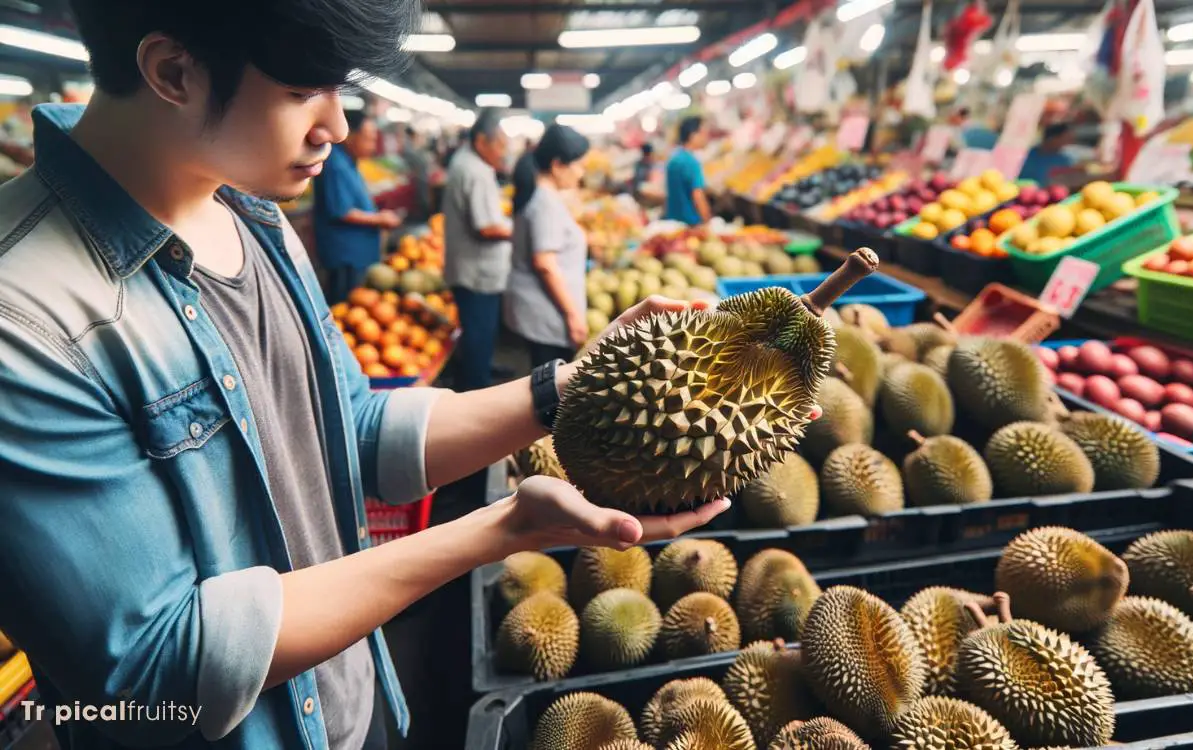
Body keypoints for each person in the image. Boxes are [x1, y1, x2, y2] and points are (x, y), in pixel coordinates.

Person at [0, 3, 735, 750]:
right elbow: (154, 667)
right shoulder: (24, 318)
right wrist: (500, 530)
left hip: (353, 704)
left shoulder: (252, 215)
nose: (339, 127)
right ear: (173, 72)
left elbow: (348, 428)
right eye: (301, 92)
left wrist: (568, 388)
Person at [504, 125, 592, 367]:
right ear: (557, 165)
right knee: (551, 391)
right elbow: (545, 264)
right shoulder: (545, 204)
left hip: (542, 312)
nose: (581, 173)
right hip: (547, 315)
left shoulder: (542, 196)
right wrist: (573, 316)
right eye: (578, 165)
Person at [442, 108, 513, 393]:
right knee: (478, 332)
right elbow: (485, 228)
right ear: (482, 141)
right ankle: (475, 387)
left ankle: (481, 368)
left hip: (470, 266)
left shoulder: (465, 161)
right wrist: (519, 231)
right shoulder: (476, 171)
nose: (503, 153)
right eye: (500, 146)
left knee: (480, 332)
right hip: (477, 271)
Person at [313, 108, 403, 303]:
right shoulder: (336, 165)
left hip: (355, 253)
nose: (372, 146)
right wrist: (380, 218)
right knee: (346, 308)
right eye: (368, 139)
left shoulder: (348, 161)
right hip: (346, 255)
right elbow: (341, 211)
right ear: (349, 136)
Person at [664, 116, 712, 226]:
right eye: (703, 133)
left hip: (673, 222)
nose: (706, 138)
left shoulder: (674, 159)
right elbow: (698, 195)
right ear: (693, 135)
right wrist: (708, 222)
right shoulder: (692, 162)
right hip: (691, 224)